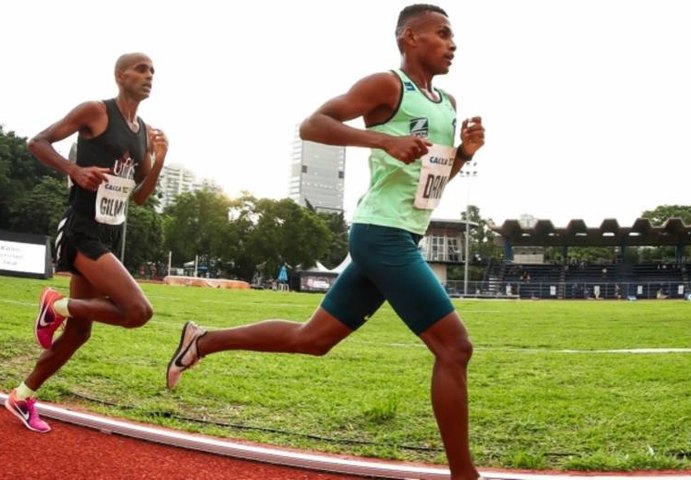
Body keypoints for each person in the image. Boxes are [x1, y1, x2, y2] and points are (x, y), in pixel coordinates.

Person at [166, 5, 485, 479]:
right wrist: (382, 142)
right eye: (443, 34)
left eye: (453, 36)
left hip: (402, 234)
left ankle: (203, 340)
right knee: (454, 349)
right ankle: (465, 475)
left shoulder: (448, 104)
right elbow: (312, 124)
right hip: (381, 234)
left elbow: (431, 185)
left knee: (312, 339)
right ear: (410, 38)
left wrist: (462, 154)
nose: (453, 43)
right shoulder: (387, 86)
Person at [4, 52, 168, 433]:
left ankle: (22, 395)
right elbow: (37, 142)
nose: (149, 76)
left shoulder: (142, 131)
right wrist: (74, 170)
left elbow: (139, 197)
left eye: (153, 71)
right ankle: (55, 304)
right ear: (120, 75)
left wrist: (159, 160)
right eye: (141, 69)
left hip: (108, 231)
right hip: (81, 229)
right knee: (137, 311)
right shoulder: (96, 111)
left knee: (79, 332)